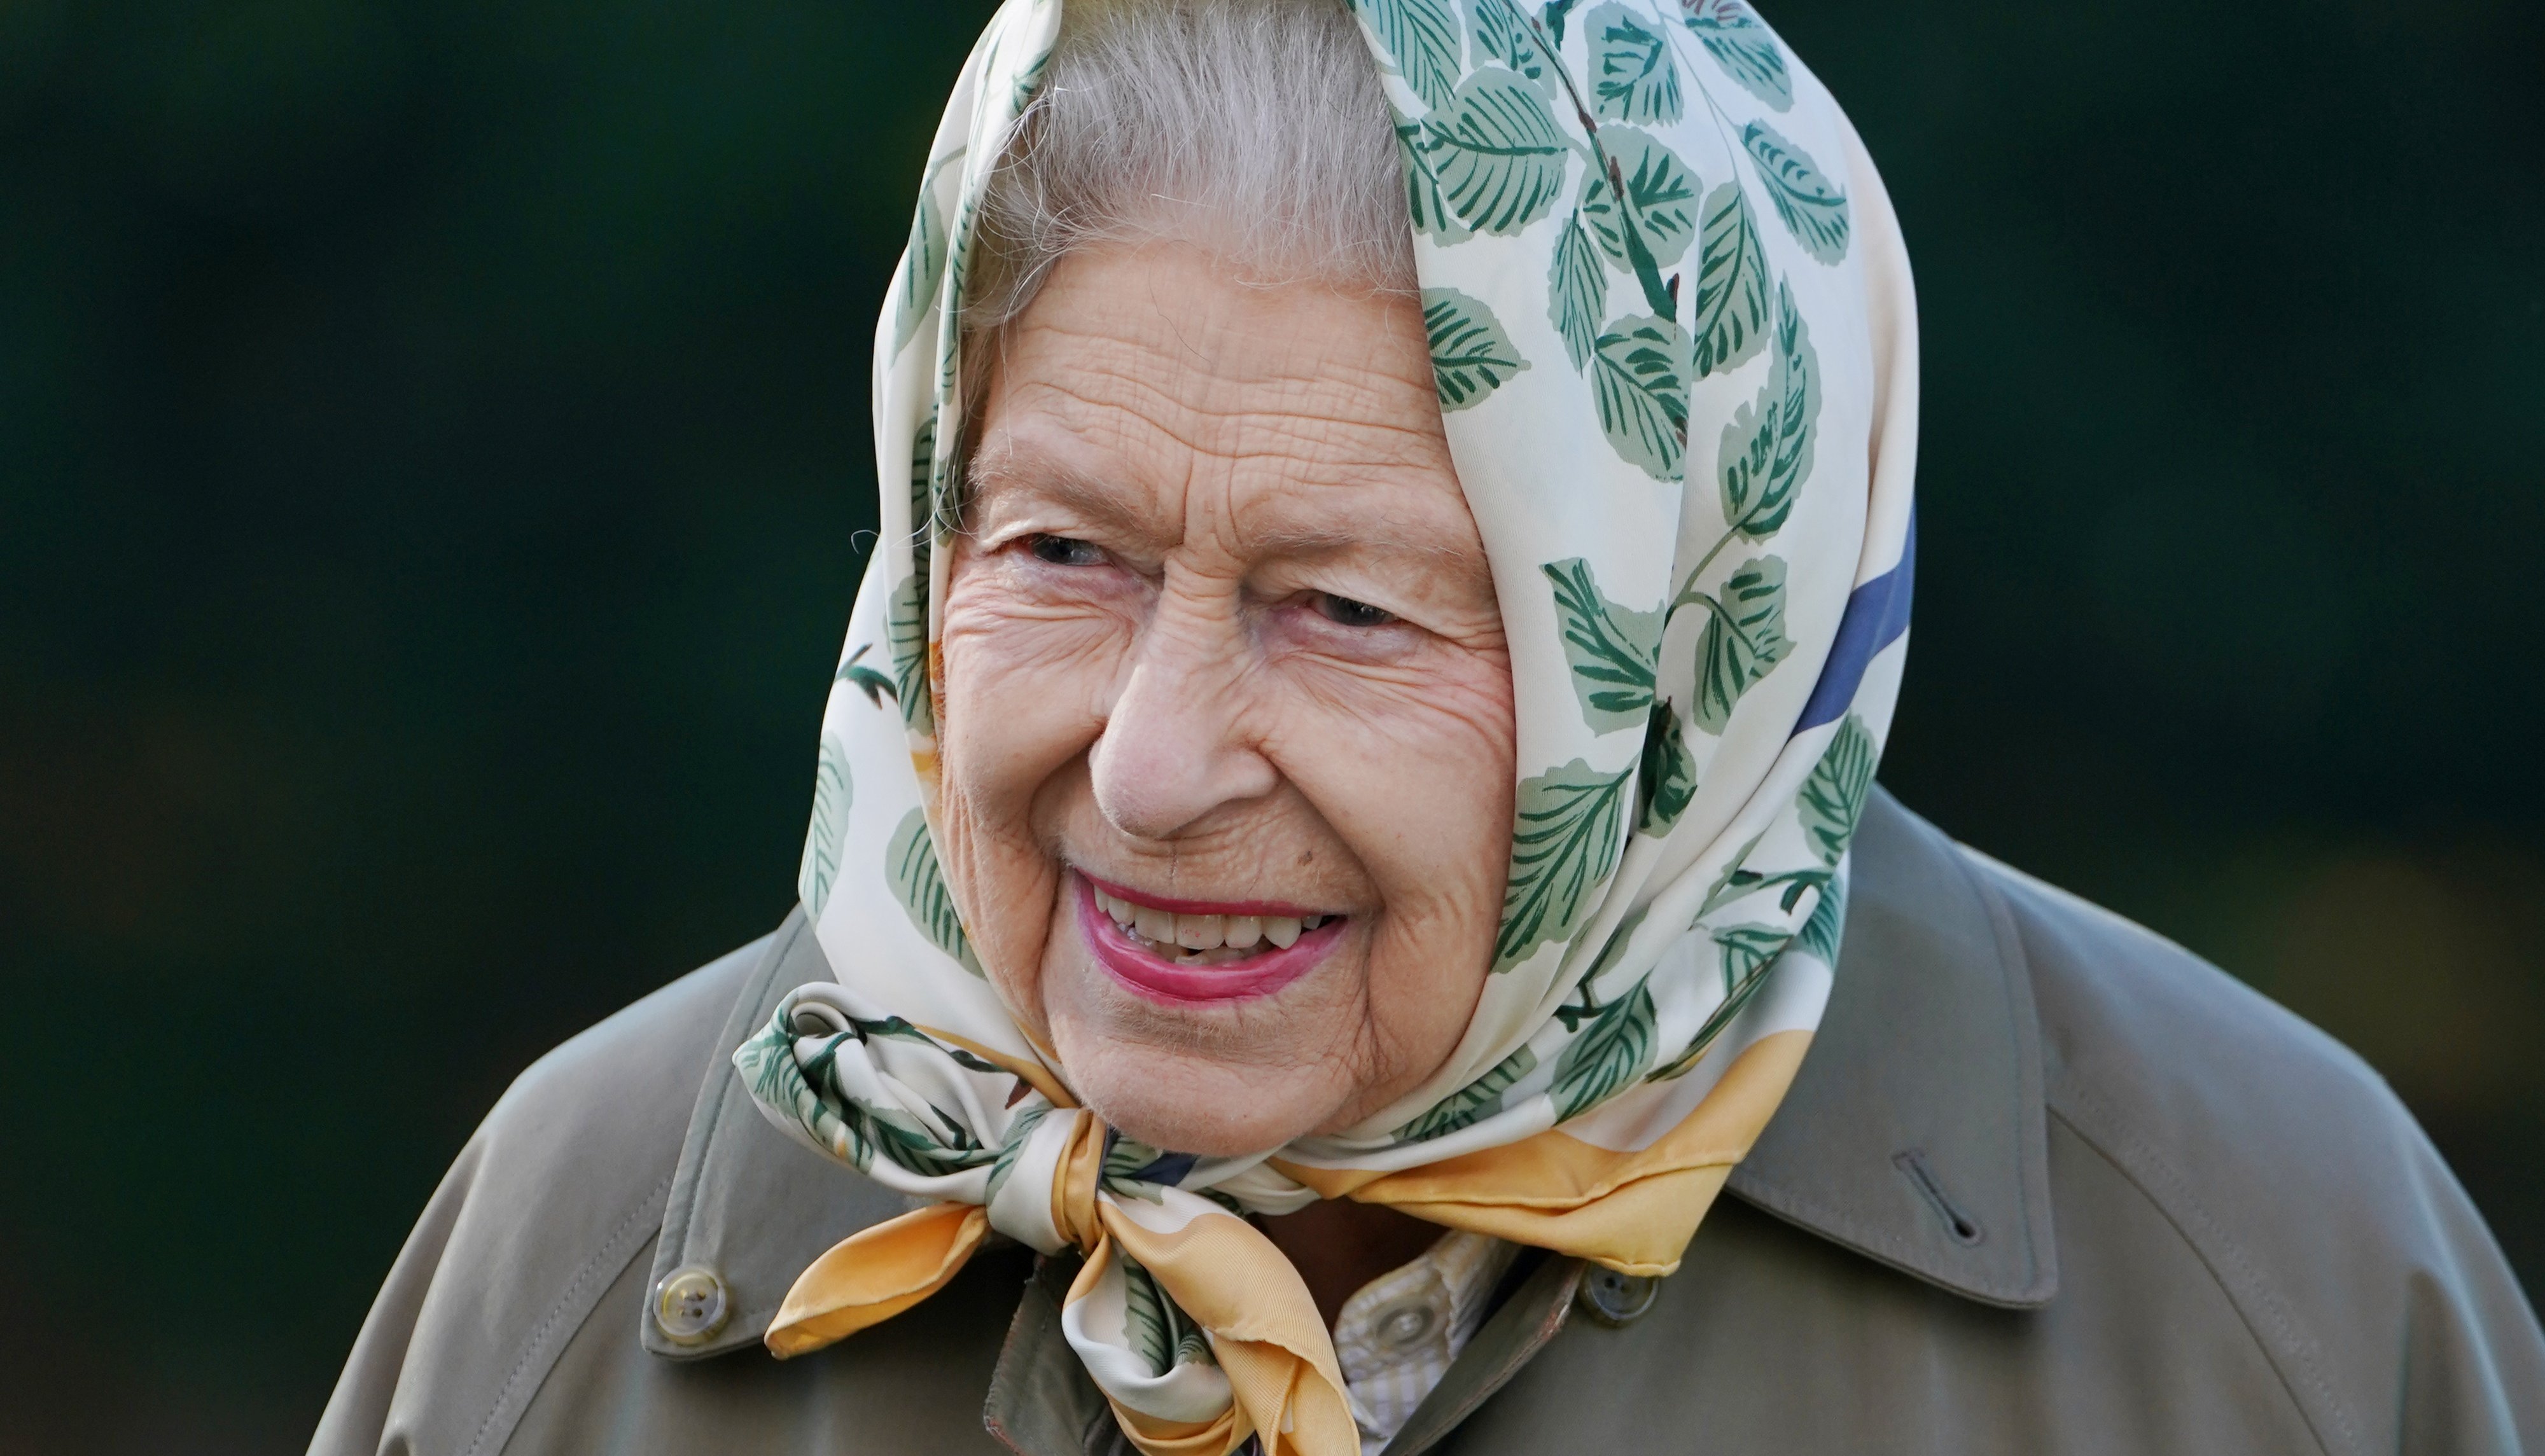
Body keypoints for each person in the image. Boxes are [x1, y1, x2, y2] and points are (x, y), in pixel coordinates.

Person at [309, 1, 2545, 1452]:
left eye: (1348, 605)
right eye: (1062, 554)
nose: (1156, 765)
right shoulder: (594, 1250)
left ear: (1695, 650)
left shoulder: (2272, 1290)